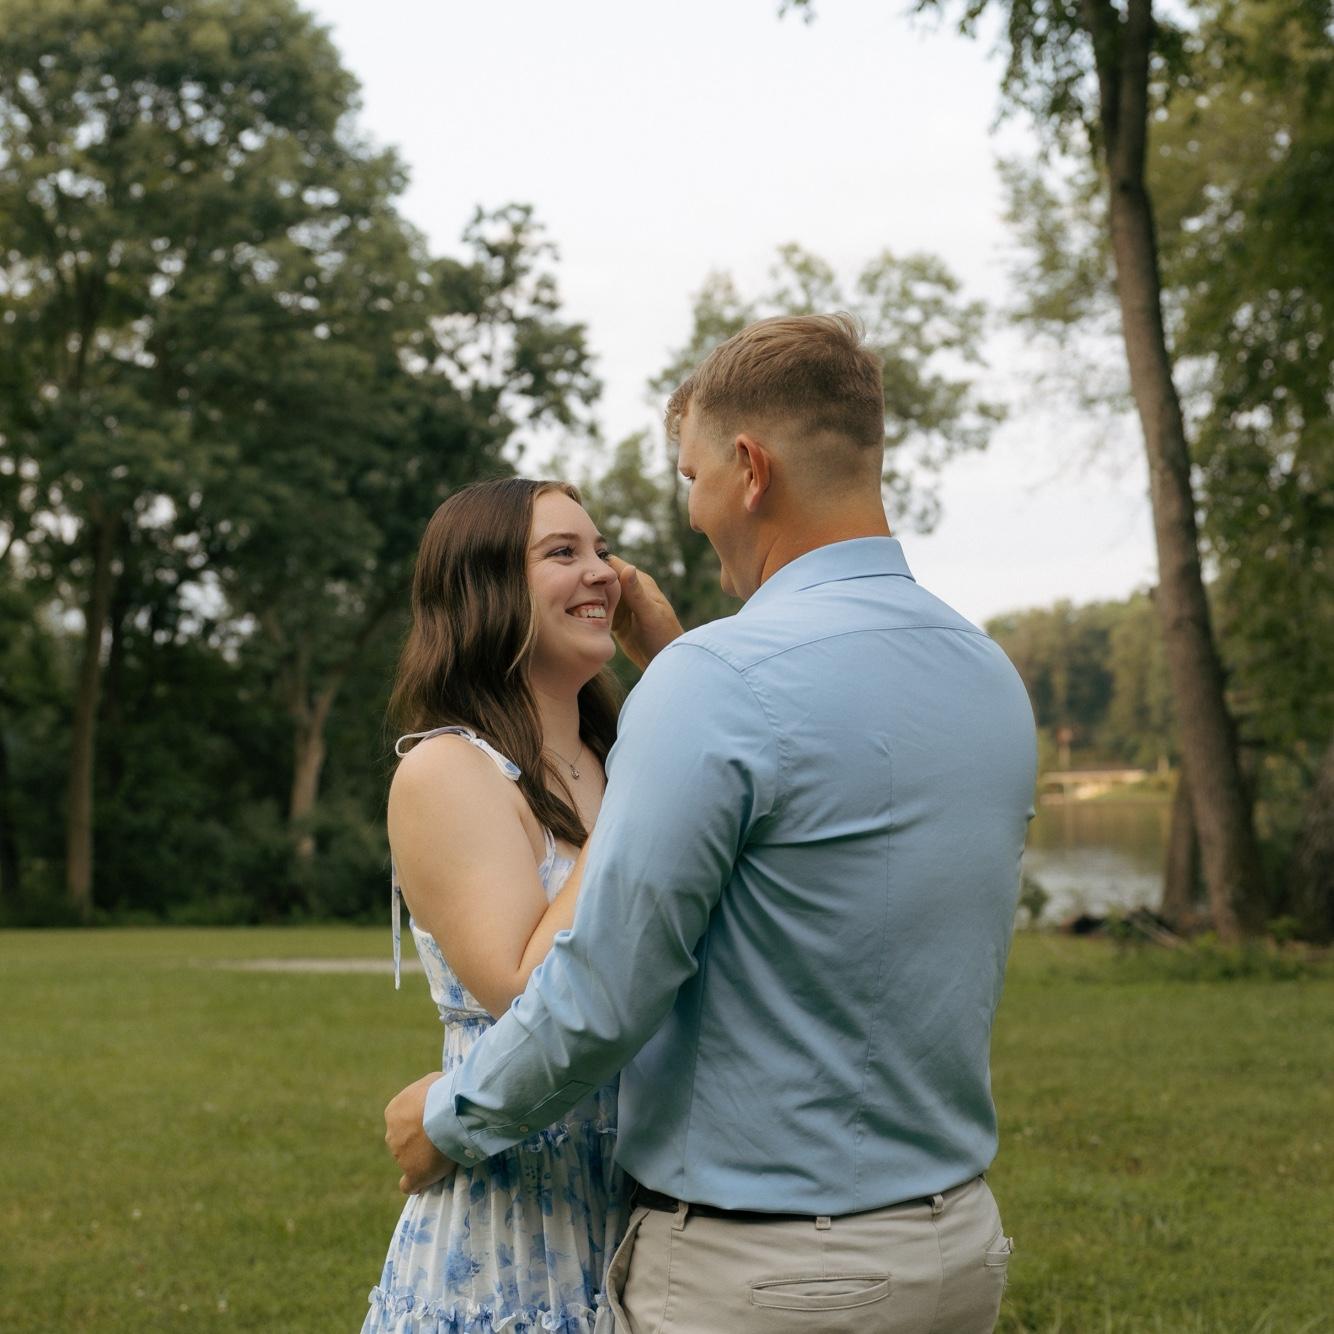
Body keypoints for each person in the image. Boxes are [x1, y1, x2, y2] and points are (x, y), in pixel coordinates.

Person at [386, 313, 1038, 1333]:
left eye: (691, 477)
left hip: (771, 1275)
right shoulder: (986, 673)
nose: (686, 514)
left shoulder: (718, 680)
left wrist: (446, 1116)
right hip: (955, 1248)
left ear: (749, 469)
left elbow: (596, 993)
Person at [361, 478, 637, 1333]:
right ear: (486, 590)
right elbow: (529, 990)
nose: (602, 573)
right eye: (563, 553)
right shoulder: (448, 770)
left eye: (602, 551)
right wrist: (646, 797)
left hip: (650, 1207)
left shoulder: (621, 754)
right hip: (515, 1222)